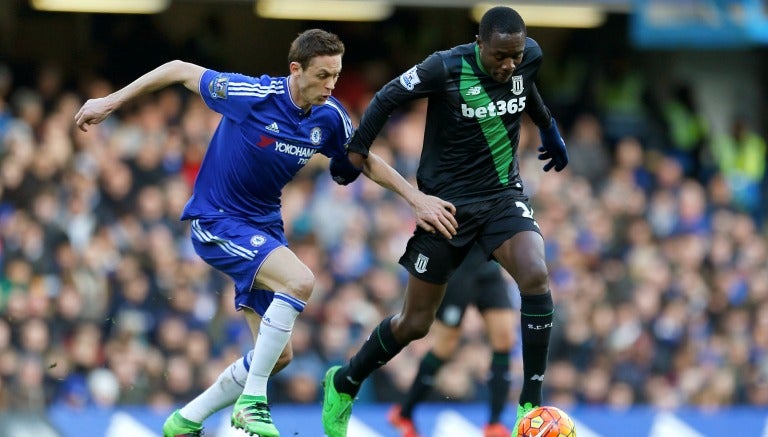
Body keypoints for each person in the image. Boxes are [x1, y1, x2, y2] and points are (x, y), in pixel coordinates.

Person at [75, 29, 458, 437]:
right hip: (217, 220)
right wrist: (110, 101)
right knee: (300, 280)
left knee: (277, 356)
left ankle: (185, 420)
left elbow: (362, 160)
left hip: (263, 227)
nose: (332, 85)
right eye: (324, 75)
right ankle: (252, 401)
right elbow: (178, 68)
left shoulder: (331, 116)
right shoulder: (250, 94)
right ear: (296, 70)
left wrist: (415, 198)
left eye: (337, 75)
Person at [321, 7, 568, 437]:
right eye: (499, 57)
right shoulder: (445, 66)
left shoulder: (527, 57)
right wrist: (357, 150)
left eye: (514, 55)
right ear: (479, 43)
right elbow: (387, 96)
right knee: (415, 323)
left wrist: (548, 129)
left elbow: (526, 88)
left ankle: (530, 404)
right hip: (445, 208)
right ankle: (345, 382)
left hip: (501, 198)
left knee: (536, 275)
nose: (508, 64)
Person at [387, 244, 515, 437]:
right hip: (458, 268)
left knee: (505, 339)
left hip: (488, 266)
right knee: (445, 347)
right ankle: (405, 413)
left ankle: (494, 423)